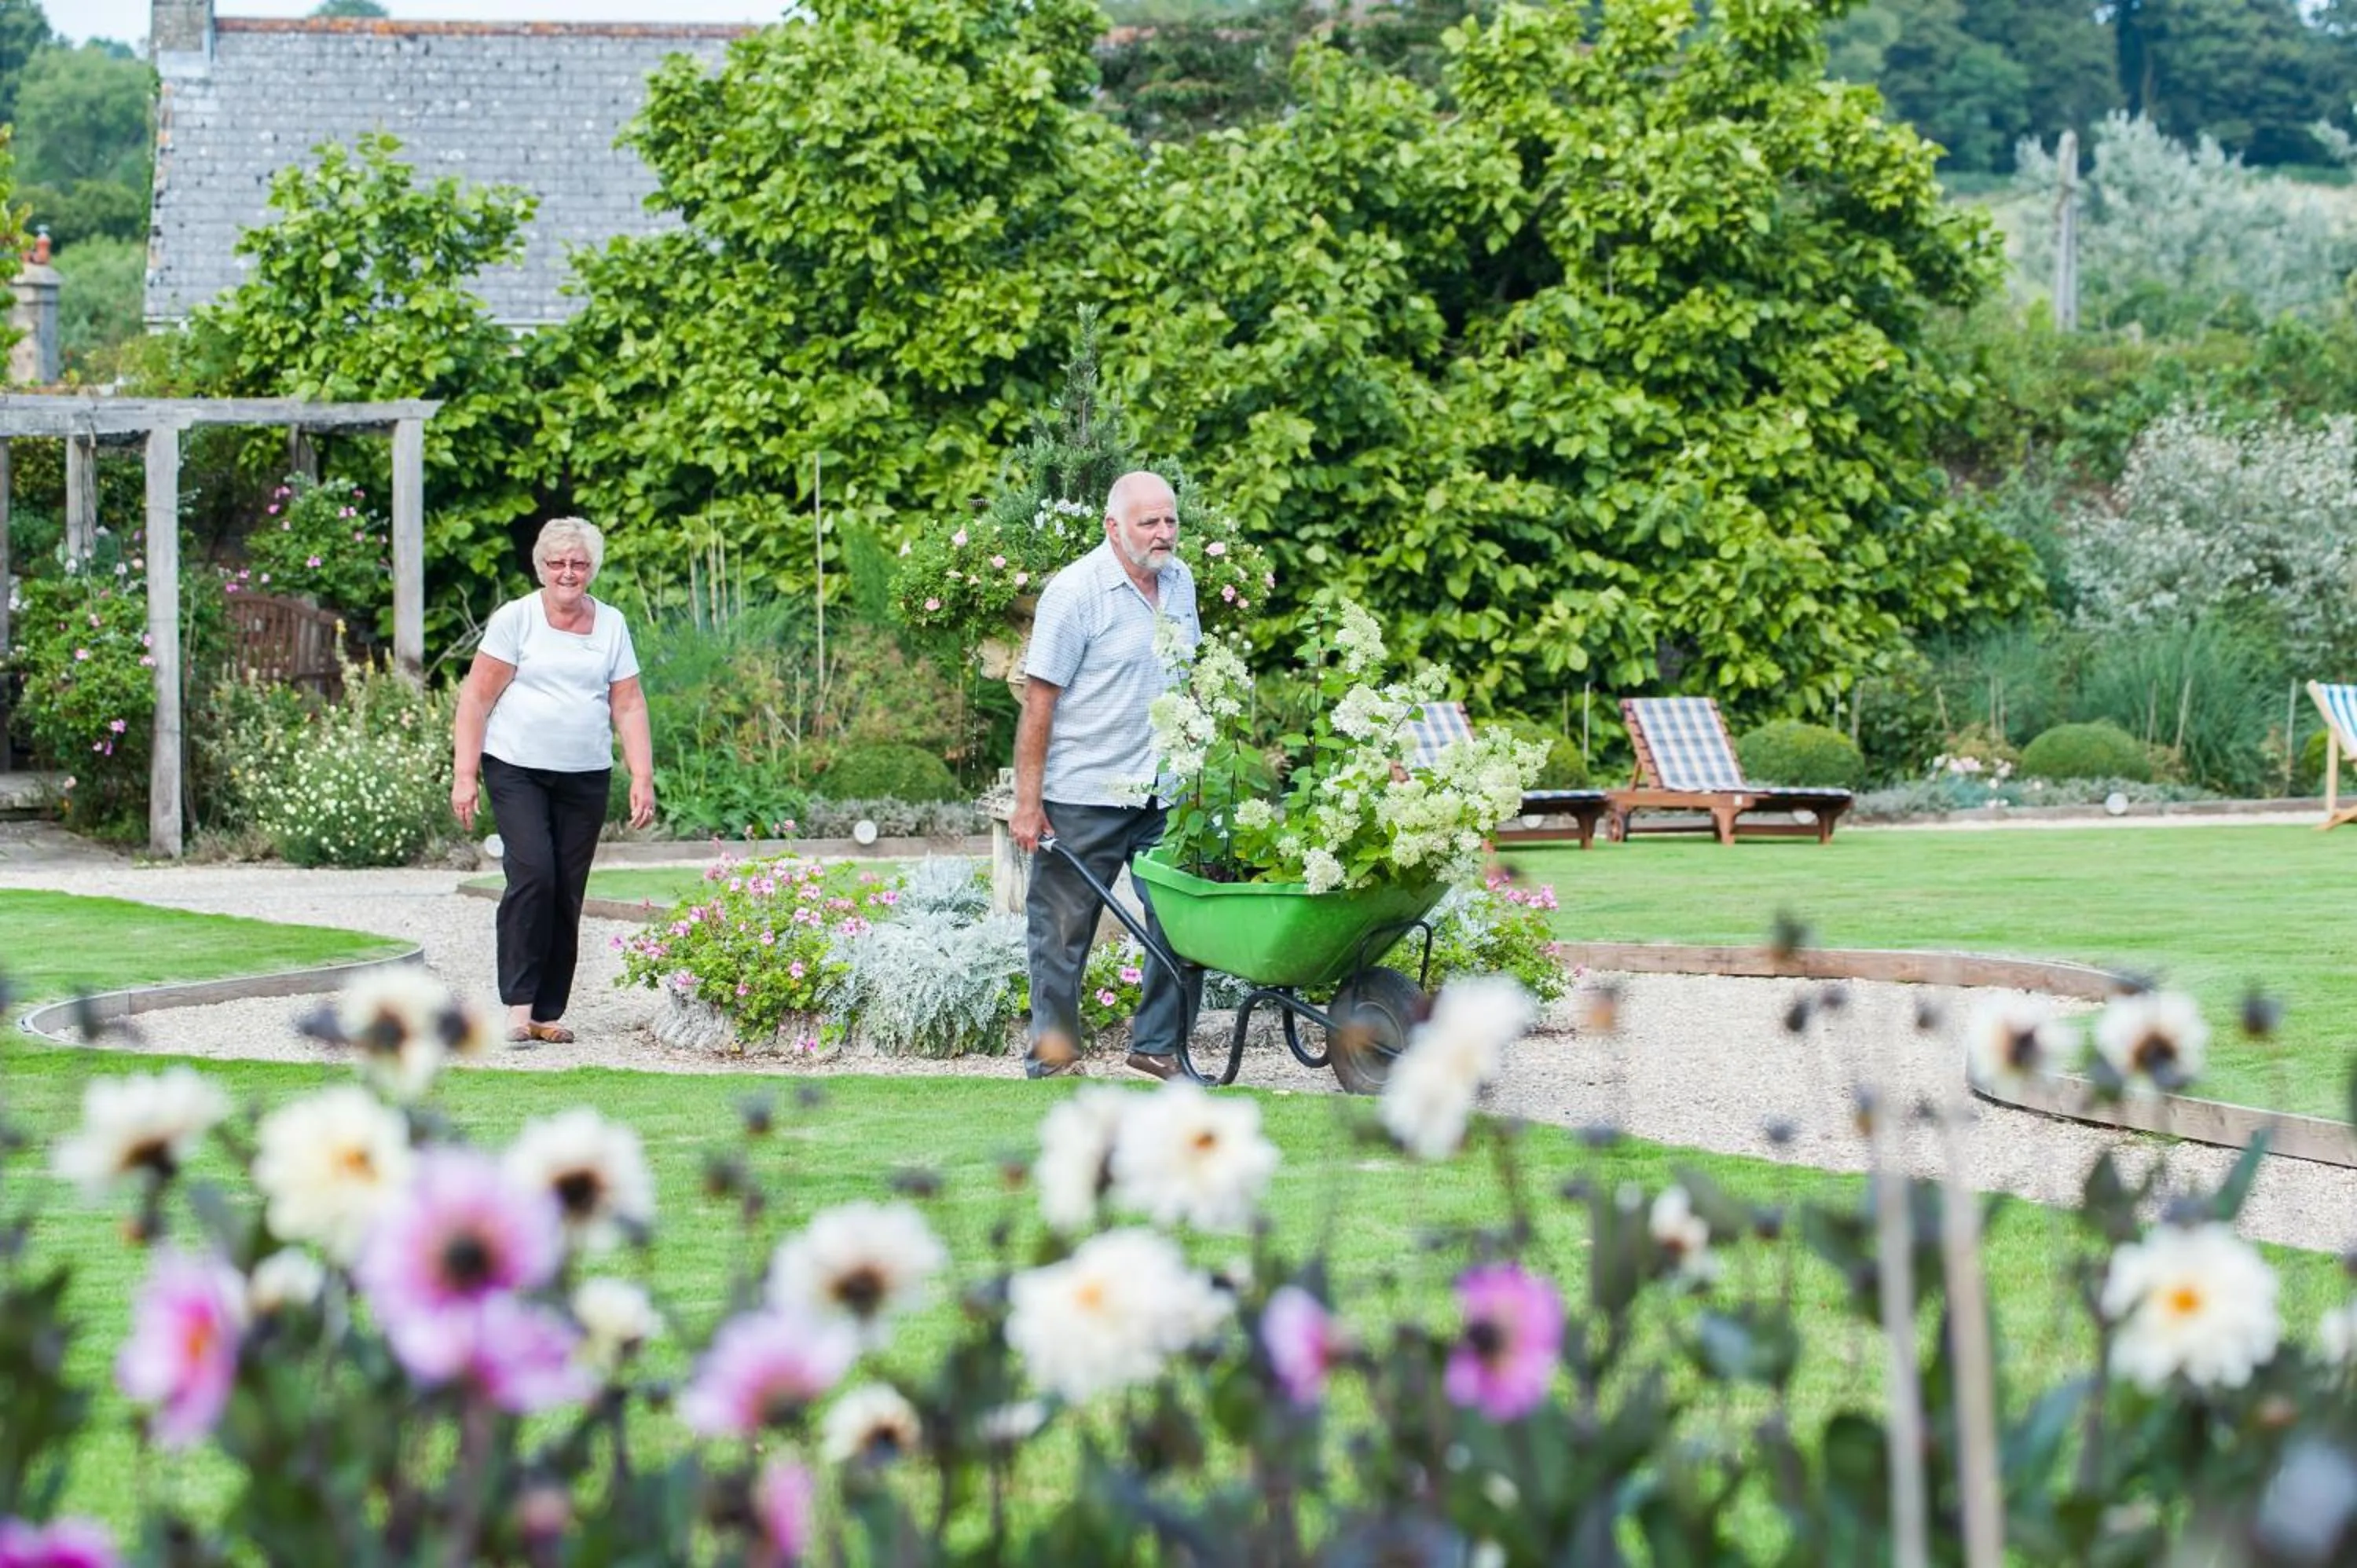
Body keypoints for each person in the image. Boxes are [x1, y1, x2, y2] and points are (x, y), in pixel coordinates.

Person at [1011, 471, 1203, 1079]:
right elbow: (1039, 700)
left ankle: (1158, 1046)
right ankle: (1055, 1054)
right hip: (1084, 792)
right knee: (1062, 934)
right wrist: (1027, 801)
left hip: (1164, 790)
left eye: (1170, 520)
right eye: (1149, 521)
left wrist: (1197, 763)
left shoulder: (1181, 584)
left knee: (1185, 920)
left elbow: (1188, 681)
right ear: (1113, 527)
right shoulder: (1076, 592)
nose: (1164, 532)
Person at [452, 518, 655, 1045]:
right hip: (516, 766)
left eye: (579, 563)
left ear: (592, 569)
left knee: (567, 890)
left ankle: (546, 1012)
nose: (568, 572)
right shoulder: (516, 620)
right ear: (541, 567)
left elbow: (628, 703)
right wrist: (465, 775)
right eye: (558, 563)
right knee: (534, 875)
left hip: (585, 774)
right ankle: (518, 1010)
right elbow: (476, 698)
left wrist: (642, 775)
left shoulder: (611, 624)